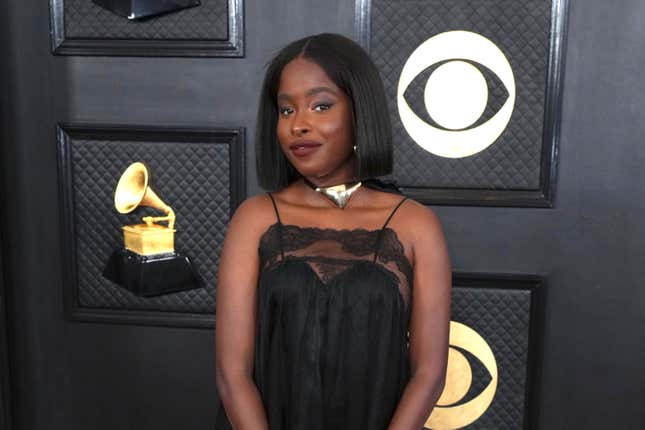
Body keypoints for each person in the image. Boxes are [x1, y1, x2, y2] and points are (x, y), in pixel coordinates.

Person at [214, 33, 451, 430]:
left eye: (320, 105)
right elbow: (232, 374)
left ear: (360, 112)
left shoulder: (415, 225)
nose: (299, 125)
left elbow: (429, 375)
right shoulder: (254, 219)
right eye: (286, 111)